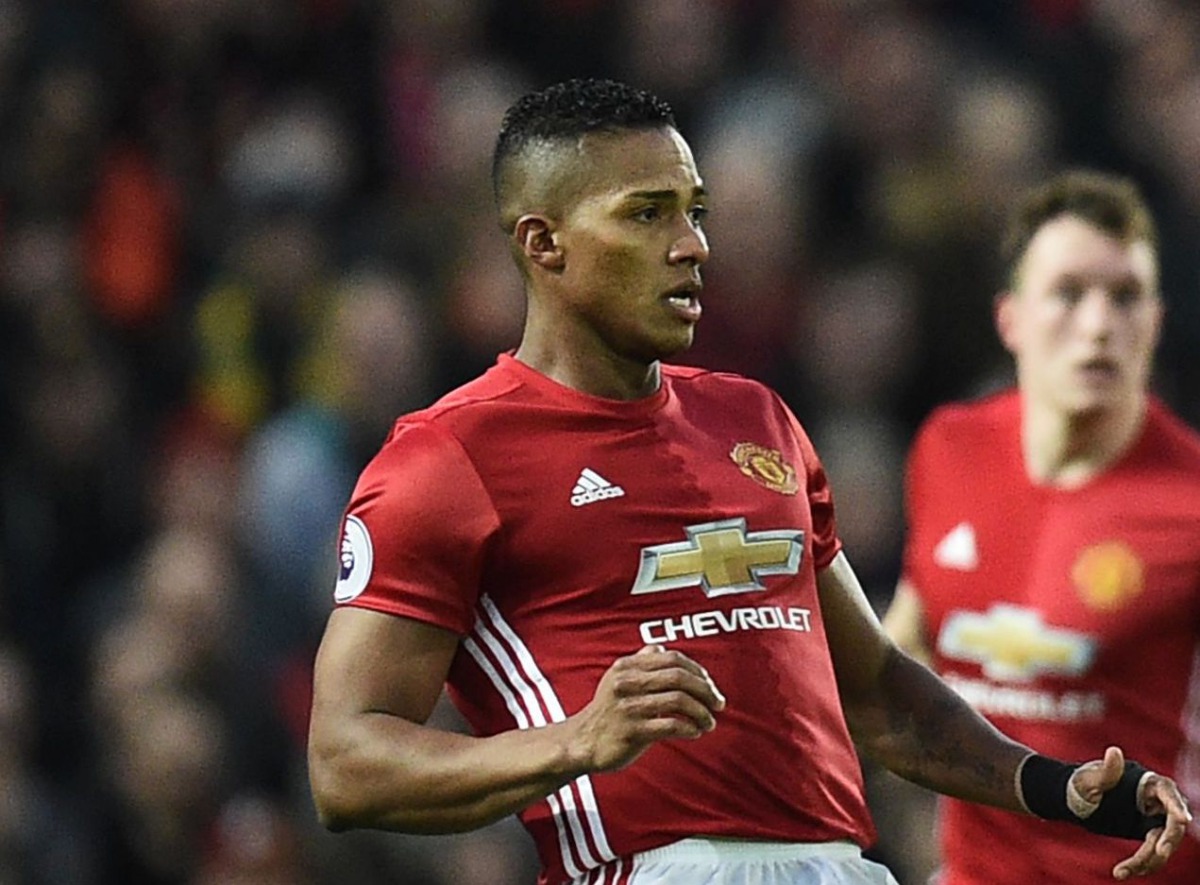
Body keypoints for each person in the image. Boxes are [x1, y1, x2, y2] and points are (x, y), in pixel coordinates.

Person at [306, 80, 1191, 885]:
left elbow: (878, 692)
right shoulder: (448, 457)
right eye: (647, 214)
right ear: (544, 244)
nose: (692, 245)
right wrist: (572, 741)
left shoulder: (755, 419)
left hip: (845, 868)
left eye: (695, 211)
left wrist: (1055, 784)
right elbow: (345, 763)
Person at [883, 169, 1200, 883]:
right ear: (1011, 319)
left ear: (1154, 320)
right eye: (1068, 293)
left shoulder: (1190, 504)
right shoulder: (948, 446)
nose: (1098, 324)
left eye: (1125, 297)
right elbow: (907, 643)